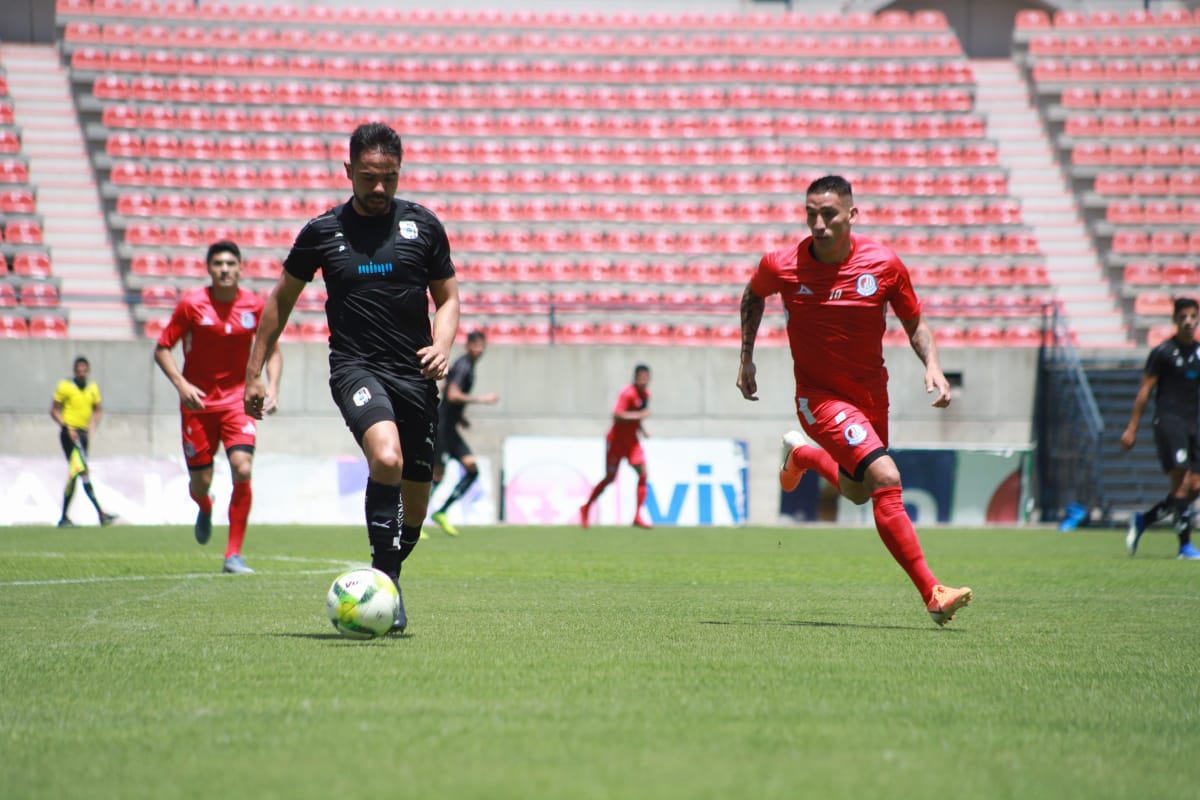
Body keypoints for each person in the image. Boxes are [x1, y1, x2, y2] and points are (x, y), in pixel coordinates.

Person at [243, 122, 460, 633]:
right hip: (355, 367)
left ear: (400, 173)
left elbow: (448, 298)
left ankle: (390, 573)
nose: (379, 188)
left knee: (416, 504)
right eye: (368, 177)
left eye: (389, 177)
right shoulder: (322, 232)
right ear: (349, 172)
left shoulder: (423, 226)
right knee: (386, 456)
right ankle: (384, 586)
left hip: (415, 374)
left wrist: (443, 345)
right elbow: (280, 302)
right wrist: (254, 373)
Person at [735, 174, 972, 627]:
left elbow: (914, 323)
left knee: (857, 491)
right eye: (811, 214)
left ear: (851, 215)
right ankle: (932, 592)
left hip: (870, 395)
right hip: (819, 397)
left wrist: (933, 365)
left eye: (828, 214)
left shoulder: (883, 264)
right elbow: (753, 294)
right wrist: (746, 358)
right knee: (886, 476)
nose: (818, 224)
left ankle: (802, 456)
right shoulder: (783, 264)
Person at [154, 240, 283, 575]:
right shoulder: (191, 305)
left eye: (230, 264)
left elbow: (273, 349)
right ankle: (205, 506)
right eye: (218, 264)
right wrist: (182, 385)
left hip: (238, 403)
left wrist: (273, 387)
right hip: (197, 405)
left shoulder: (254, 305)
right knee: (201, 483)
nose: (224, 269)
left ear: (241, 268)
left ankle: (233, 554)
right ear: (209, 269)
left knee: (242, 468)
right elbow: (163, 349)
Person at [1121, 296, 1200, 560]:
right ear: (1175, 320)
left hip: (1194, 424)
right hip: (1169, 423)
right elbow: (1145, 391)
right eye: (1183, 317)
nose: (1188, 322)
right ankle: (1185, 547)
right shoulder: (1163, 353)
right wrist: (1132, 428)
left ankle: (1143, 520)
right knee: (1180, 484)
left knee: (1195, 486)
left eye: (1192, 316)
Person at [430, 329, 499, 537]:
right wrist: (482, 400)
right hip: (442, 428)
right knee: (436, 475)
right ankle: (410, 518)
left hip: (450, 427)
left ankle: (441, 512)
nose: (479, 350)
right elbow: (451, 395)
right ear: (468, 346)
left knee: (472, 469)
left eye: (482, 346)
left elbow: (445, 389)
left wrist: (460, 417)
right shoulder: (464, 366)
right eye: (476, 345)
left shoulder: (466, 366)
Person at [579, 364, 654, 529]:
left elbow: (637, 416)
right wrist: (640, 416)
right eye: (640, 377)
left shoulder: (645, 395)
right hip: (616, 442)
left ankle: (637, 516)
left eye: (646, 378)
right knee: (610, 478)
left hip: (632, 442)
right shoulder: (628, 393)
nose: (643, 380)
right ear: (635, 378)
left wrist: (642, 429)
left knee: (643, 473)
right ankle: (586, 508)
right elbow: (617, 415)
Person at [50, 356, 117, 528]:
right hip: (70, 435)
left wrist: (92, 426)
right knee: (82, 472)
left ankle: (64, 517)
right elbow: (54, 411)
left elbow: (97, 410)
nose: (81, 373)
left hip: (83, 435)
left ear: (88, 371)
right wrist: (67, 427)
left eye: (84, 370)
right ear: (74, 371)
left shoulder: (92, 388)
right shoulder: (65, 386)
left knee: (75, 474)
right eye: (78, 370)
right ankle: (100, 514)